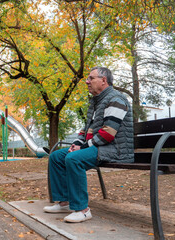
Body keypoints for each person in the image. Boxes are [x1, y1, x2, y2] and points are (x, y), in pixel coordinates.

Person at [44, 67, 134, 223]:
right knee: (56, 156)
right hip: (99, 146)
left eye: (91, 78)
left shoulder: (116, 99)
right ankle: (64, 202)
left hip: (115, 149)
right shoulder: (96, 101)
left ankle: (82, 210)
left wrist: (82, 148)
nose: (87, 81)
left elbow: (108, 134)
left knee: (74, 159)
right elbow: (86, 130)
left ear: (103, 80)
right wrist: (77, 144)